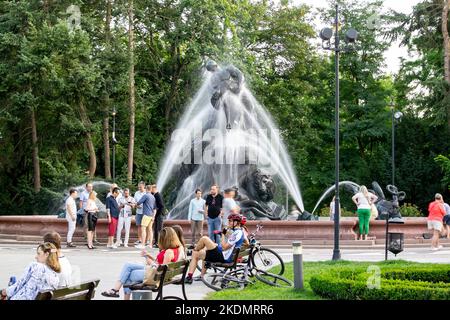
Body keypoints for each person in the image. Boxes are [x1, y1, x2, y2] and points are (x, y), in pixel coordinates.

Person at [101, 227, 185, 300]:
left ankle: (115, 290)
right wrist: (149, 258)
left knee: (128, 274)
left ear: (165, 239)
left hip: (154, 276)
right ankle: (115, 290)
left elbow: (160, 270)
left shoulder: (169, 252)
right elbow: (161, 265)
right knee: (128, 266)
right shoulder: (176, 249)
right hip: (154, 273)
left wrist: (151, 263)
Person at [185, 213, 247, 284]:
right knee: (196, 254)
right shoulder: (238, 232)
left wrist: (223, 235)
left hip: (224, 257)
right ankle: (191, 277)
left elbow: (224, 247)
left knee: (204, 239)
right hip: (224, 255)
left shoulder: (237, 233)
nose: (228, 222)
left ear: (236, 222)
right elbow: (246, 243)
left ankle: (194, 249)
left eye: (230, 221)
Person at [134, 181, 146, 246]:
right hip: (138, 212)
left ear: (144, 186)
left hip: (145, 212)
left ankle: (146, 240)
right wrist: (136, 205)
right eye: (138, 187)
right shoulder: (136, 193)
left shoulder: (146, 193)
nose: (139, 188)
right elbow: (135, 201)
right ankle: (139, 239)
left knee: (145, 226)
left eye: (140, 187)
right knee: (139, 226)